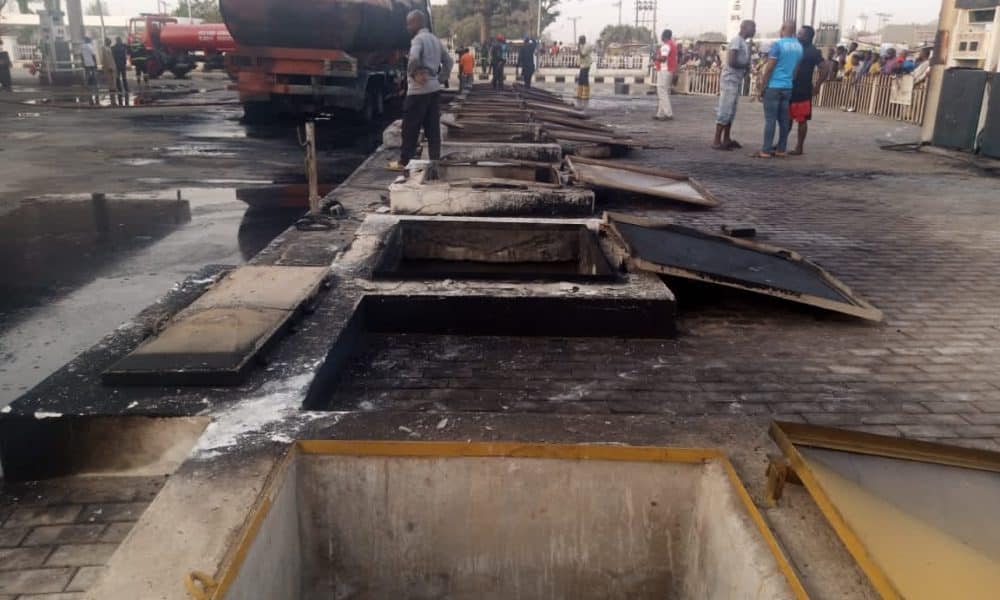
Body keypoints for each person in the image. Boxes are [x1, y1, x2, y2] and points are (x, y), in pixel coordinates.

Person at [396, 9, 452, 168]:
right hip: (433, 91)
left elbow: (413, 58)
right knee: (433, 128)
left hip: (418, 92)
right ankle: (435, 161)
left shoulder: (418, 40)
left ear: (417, 23)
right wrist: (439, 79)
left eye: (409, 23)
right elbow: (449, 61)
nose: (407, 27)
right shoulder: (435, 40)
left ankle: (404, 162)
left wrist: (413, 74)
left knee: (410, 128)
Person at [753, 21, 802, 158]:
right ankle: (781, 149)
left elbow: (769, 68)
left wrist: (762, 87)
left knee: (770, 120)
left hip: (774, 86)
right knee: (784, 120)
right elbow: (796, 69)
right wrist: (789, 81)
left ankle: (766, 150)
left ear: (783, 29)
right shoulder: (798, 47)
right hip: (787, 87)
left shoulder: (778, 45)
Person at [713, 20, 756, 150]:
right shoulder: (737, 41)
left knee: (731, 110)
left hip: (736, 80)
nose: (754, 31)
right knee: (725, 109)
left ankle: (726, 138)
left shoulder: (743, 42)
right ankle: (717, 140)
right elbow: (732, 61)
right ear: (744, 28)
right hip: (730, 79)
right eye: (752, 28)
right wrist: (745, 65)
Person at [788, 25, 829, 156]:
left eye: (800, 34)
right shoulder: (796, 48)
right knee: (787, 118)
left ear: (808, 37)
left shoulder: (812, 51)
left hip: (803, 90)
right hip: (791, 87)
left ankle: (799, 147)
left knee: (801, 120)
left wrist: (817, 86)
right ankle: (782, 143)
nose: (797, 36)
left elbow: (824, 68)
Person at [653, 29, 676, 121]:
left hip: (664, 70)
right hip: (669, 70)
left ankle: (668, 113)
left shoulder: (666, 46)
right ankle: (660, 114)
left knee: (662, 92)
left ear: (664, 36)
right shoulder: (672, 44)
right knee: (664, 92)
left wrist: (655, 57)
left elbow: (663, 59)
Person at [576, 35, 592, 102]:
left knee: (585, 79)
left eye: (580, 40)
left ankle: (586, 95)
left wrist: (578, 47)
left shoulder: (587, 46)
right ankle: (579, 94)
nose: (579, 41)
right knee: (580, 79)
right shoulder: (582, 45)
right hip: (582, 64)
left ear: (583, 40)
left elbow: (582, 55)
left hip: (586, 64)